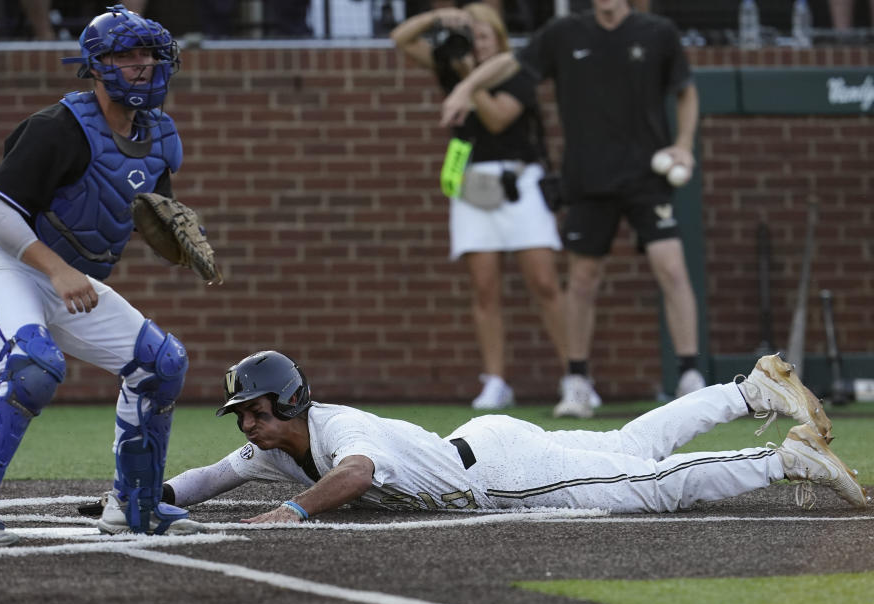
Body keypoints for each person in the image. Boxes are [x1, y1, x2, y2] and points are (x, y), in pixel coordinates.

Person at [0, 4, 204, 547]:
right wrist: (54, 270)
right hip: (4, 262)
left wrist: (179, 242)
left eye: (148, 54)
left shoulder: (160, 139)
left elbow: (147, 217)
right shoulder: (58, 127)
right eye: (125, 55)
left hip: (64, 277)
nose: (141, 65)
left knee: (161, 363)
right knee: (32, 367)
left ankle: (134, 507)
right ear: (96, 66)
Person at [161, 351, 866, 523]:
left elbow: (354, 474)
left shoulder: (336, 426)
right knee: (629, 448)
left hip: (502, 476)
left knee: (650, 487)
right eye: (242, 415)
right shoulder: (270, 448)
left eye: (254, 411)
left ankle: (782, 459)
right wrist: (147, 495)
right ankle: (748, 391)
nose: (248, 425)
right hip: (486, 446)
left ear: (288, 400)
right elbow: (208, 479)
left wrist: (289, 513)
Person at [441, 0, 703, 418]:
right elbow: (509, 62)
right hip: (588, 178)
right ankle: (577, 380)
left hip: (646, 177)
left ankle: (690, 376)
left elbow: (686, 91)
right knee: (581, 279)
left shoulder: (658, 32)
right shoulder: (564, 33)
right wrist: (462, 87)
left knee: (671, 267)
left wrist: (684, 147)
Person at [391, 3, 568, 410]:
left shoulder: (516, 70)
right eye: (472, 35)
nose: (478, 42)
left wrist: (467, 82)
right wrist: (442, 18)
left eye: (484, 35)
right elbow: (401, 39)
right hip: (472, 185)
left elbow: (496, 119)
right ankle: (495, 380)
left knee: (544, 282)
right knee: (484, 288)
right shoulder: (453, 64)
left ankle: (572, 373)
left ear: (499, 38)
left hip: (518, 182)